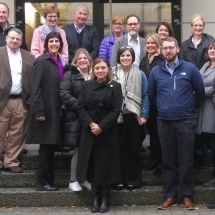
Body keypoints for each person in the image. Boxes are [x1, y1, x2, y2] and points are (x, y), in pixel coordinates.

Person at [148, 37, 205, 210]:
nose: (168, 51)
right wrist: (164, 108)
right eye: (165, 48)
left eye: (171, 48)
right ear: (161, 51)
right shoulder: (156, 71)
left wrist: (186, 107)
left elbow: (200, 93)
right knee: (168, 160)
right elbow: (152, 95)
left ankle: (187, 196)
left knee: (186, 160)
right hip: (164, 122)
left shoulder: (190, 68)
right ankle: (170, 195)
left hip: (185, 121)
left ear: (178, 49)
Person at [77, 57, 122, 213]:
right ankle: (95, 198)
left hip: (107, 131)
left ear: (108, 69)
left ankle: (105, 199)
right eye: (97, 68)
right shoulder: (86, 85)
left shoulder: (115, 86)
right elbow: (80, 107)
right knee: (93, 164)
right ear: (93, 70)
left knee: (105, 164)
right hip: (89, 130)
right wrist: (91, 124)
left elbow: (116, 110)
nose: (100, 71)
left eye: (103, 68)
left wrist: (101, 127)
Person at [26, 32, 67, 191]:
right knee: (46, 148)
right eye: (51, 41)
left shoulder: (60, 61)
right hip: (46, 112)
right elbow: (35, 88)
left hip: (57, 110)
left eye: (57, 41)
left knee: (50, 148)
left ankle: (48, 181)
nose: (54, 44)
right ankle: (41, 182)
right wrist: (39, 112)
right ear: (46, 44)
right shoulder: (41, 61)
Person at [179, 14, 214, 168]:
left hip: (207, 87)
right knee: (196, 126)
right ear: (191, 26)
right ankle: (200, 161)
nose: (198, 28)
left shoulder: (209, 41)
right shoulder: (185, 44)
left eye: (201, 25)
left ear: (204, 26)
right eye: (195, 25)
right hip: (190, 86)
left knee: (207, 127)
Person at [112, 46, 149, 191]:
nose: (125, 58)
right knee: (118, 150)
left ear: (133, 57)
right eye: (123, 56)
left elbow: (145, 95)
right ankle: (119, 180)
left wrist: (144, 115)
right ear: (119, 57)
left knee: (133, 149)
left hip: (134, 117)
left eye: (128, 55)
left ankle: (133, 179)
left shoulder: (140, 74)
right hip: (117, 118)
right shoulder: (112, 73)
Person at [0, 28, 34, 173]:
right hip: (2, 100)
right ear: (6, 38)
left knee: (17, 133)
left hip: (21, 100)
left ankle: (11, 161)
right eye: (12, 38)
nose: (14, 41)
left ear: (21, 42)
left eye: (18, 39)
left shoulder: (29, 57)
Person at [59, 48, 92, 192]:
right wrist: (81, 106)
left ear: (89, 60)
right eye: (80, 59)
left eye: (85, 58)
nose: (83, 60)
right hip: (76, 118)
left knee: (90, 150)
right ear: (75, 61)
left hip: (92, 118)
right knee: (79, 150)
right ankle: (73, 180)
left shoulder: (94, 74)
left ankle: (84, 179)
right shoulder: (69, 75)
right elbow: (64, 94)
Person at [139, 33, 164, 172]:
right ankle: (154, 160)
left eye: (153, 43)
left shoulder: (162, 60)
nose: (150, 46)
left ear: (158, 44)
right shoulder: (143, 60)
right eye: (148, 43)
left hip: (160, 101)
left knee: (161, 134)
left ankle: (161, 162)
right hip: (147, 102)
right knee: (153, 134)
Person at [195, 40, 215, 188]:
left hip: (212, 109)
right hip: (203, 110)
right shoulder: (205, 66)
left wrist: (201, 92)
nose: (212, 51)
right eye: (210, 48)